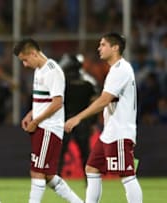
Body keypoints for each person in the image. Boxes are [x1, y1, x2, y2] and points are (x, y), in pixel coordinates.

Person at [65, 32, 143, 203]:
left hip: (120, 132)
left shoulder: (121, 69)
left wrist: (78, 118)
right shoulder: (115, 69)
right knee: (92, 168)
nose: (99, 48)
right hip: (110, 132)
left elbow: (104, 100)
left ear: (115, 48)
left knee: (127, 174)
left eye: (103, 45)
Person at [13, 38, 83, 203]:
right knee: (49, 176)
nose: (24, 64)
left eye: (25, 59)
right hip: (42, 125)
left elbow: (57, 103)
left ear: (34, 53)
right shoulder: (40, 69)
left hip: (48, 128)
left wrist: (36, 121)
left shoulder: (53, 71)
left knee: (37, 172)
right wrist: (31, 113)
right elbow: (45, 99)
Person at [58, 54, 97, 177]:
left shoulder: (62, 83)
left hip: (64, 120)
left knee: (60, 152)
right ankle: (90, 180)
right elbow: (94, 104)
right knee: (85, 152)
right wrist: (92, 122)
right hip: (83, 120)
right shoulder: (88, 82)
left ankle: (56, 178)